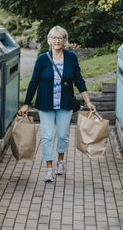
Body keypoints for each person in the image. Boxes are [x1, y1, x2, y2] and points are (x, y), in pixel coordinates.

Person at [18, 25, 96, 182]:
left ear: (65, 40)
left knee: (62, 135)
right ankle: (48, 169)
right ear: (49, 40)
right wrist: (26, 103)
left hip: (65, 104)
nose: (57, 41)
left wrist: (88, 102)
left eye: (60, 38)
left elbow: (79, 81)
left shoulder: (71, 58)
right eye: (54, 38)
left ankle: (61, 160)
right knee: (47, 136)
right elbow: (33, 82)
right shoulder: (42, 59)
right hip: (45, 105)